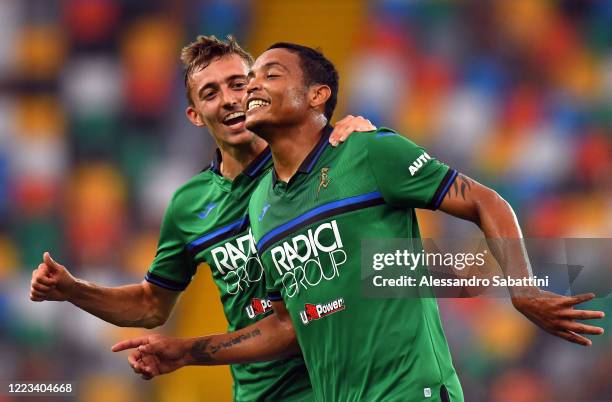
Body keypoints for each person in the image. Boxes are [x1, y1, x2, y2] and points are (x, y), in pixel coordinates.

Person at [113, 43, 605, 401]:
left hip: (414, 391)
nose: (250, 90)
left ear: (317, 95)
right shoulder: (262, 205)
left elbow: (485, 200)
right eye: (251, 79)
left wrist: (521, 287)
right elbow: (289, 322)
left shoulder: (367, 152)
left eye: (267, 76)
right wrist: (188, 351)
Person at [29, 36, 375, 401]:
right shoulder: (189, 205)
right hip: (263, 394)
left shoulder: (320, 159)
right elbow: (151, 304)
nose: (228, 100)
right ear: (195, 114)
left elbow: (391, 253)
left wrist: (363, 141)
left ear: (258, 89)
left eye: (238, 85)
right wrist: (73, 290)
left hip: (344, 385)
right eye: (210, 93)